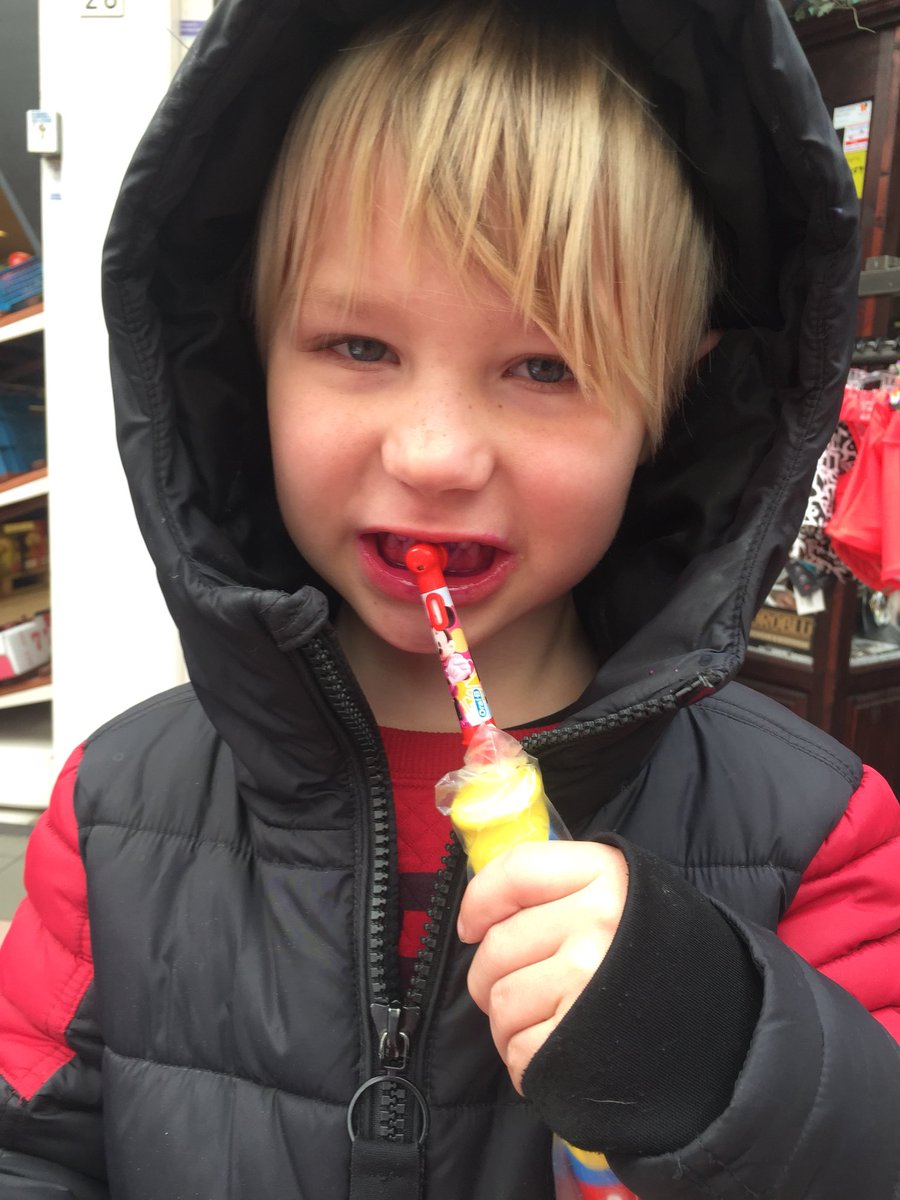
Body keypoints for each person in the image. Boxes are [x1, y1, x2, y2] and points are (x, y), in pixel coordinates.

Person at [1, 0, 898, 1197]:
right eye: (359, 348)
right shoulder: (114, 809)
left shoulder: (818, 834)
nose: (433, 454)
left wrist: (722, 1056)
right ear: (249, 355)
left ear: (670, 405)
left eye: (544, 366)